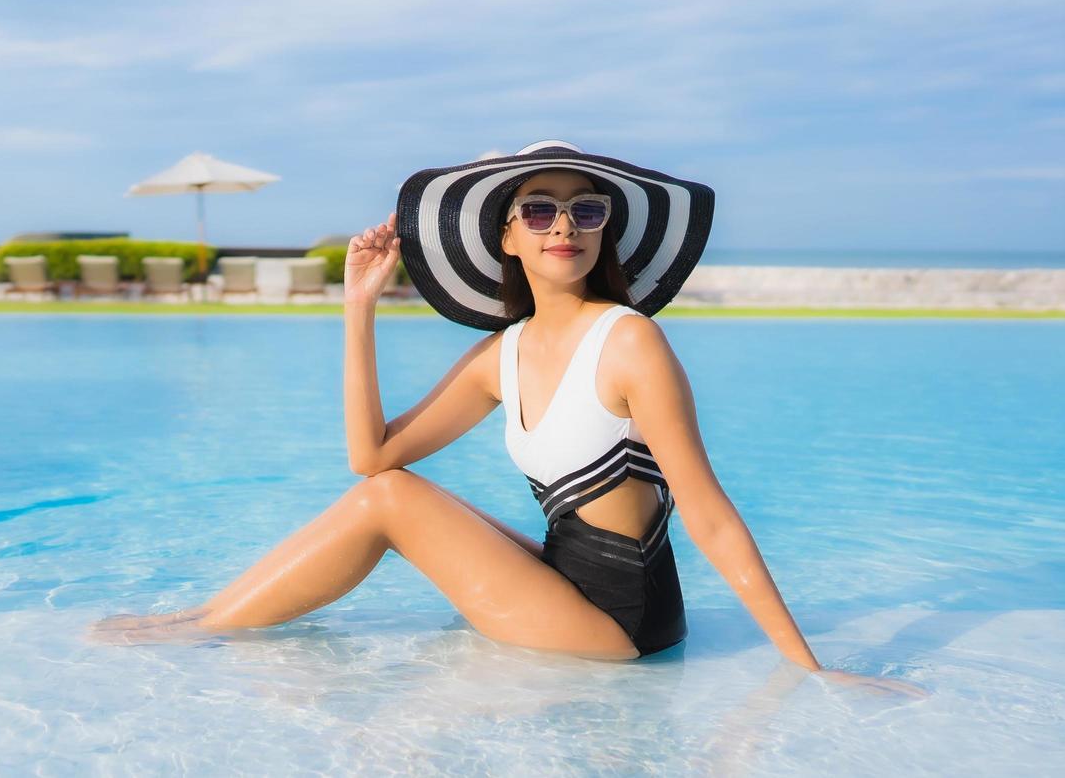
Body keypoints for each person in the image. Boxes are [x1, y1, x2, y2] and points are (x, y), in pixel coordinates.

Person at [91, 140, 923, 697]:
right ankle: (198, 620)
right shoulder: (504, 352)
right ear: (509, 238)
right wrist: (358, 307)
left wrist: (809, 668)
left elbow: (707, 512)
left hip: (622, 624)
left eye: (585, 210)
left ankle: (196, 632)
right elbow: (370, 456)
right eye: (540, 210)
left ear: (605, 234)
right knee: (385, 490)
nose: (564, 224)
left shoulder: (629, 341)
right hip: (564, 579)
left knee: (393, 504)